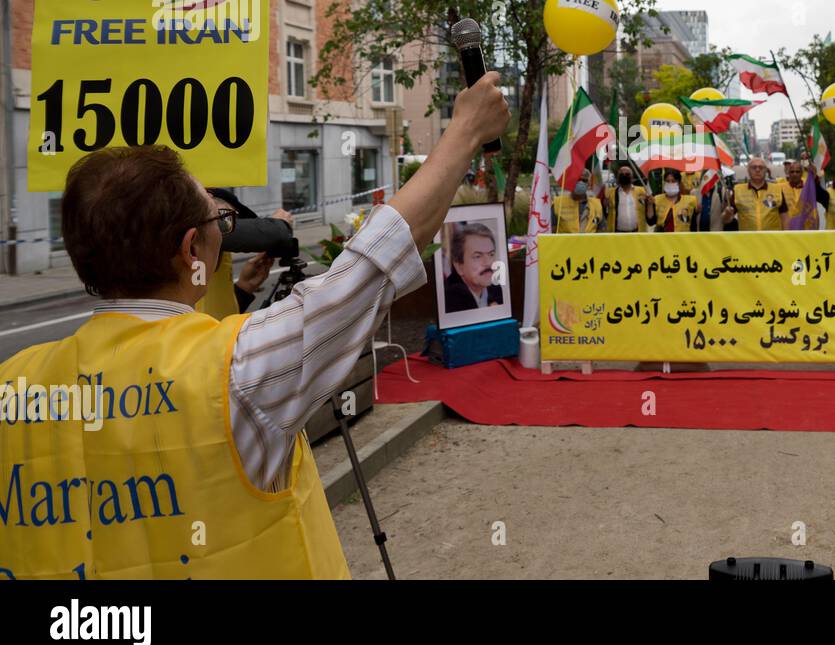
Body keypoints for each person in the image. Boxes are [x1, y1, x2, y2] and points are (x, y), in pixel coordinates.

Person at [0, 73, 510, 579]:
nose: (224, 233)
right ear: (191, 249)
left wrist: (241, 292)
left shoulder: (14, 386)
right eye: (219, 223)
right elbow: (375, 261)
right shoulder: (236, 369)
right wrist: (466, 129)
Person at [195, 188, 296, 319]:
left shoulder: (219, 253)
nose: (230, 224)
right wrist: (279, 225)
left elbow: (219, 314)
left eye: (235, 218)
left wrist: (244, 287)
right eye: (225, 217)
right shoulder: (198, 238)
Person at [443, 221, 505, 311]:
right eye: (478, 256)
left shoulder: (496, 290)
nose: (488, 263)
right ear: (459, 266)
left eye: (491, 254)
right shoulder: (448, 299)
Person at [721, 157, 787, 231]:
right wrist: (726, 215)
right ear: (748, 170)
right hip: (747, 237)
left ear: (766, 170)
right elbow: (726, 220)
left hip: (772, 237)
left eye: (761, 167)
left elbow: (784, 216)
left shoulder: (777, 189)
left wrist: (787, 235)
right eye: (754, 167)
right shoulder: (737, 190)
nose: (757, 170)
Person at [553, 168, 605, 233]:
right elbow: (551, 231)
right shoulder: (558, 203)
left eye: (584, 180)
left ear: (589, 184)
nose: (580, 183)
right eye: (577, 180)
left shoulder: (597, 205)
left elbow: (602, 230)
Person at [607, 163, 655, 232]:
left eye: (627, 174)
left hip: (638, 233)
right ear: (617, 177)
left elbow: (650, 219)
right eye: (621, 174)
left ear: (632, 177)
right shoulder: (610, 193)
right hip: (616, 234)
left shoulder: (643, 191)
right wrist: (605, 205)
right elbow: (604, 214)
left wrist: (650, 204)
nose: (624, 175)